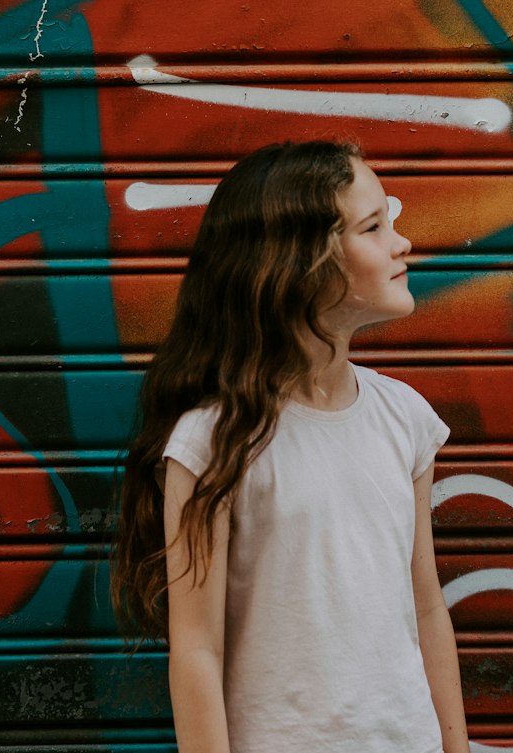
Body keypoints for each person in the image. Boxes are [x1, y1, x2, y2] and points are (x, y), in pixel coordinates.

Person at [111, 140, 469, 753]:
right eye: (374, 226)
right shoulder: (215, 442)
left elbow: (427, 608)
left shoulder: (405, 418)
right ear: (303, 261)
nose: (401, 243)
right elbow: (197, 650)